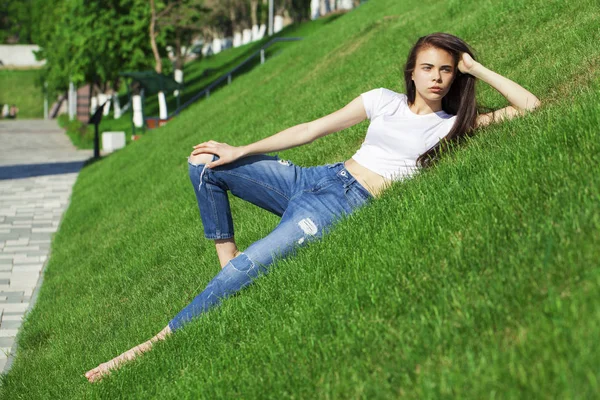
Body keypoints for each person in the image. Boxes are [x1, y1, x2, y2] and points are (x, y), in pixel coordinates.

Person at [84, 32, 540, 383]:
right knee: (204, 163)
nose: (437, 77)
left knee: (256, 264)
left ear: (455, 75)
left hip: (343, 205)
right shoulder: (381, 100)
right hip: (318, 178)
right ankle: (227, 261)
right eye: (428, 67)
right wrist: (240, 149)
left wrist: (476, 67)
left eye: (446, 69)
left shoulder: (452, 127)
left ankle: (154, 342)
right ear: (412, 72)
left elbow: (530, 105)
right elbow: (311, 129)